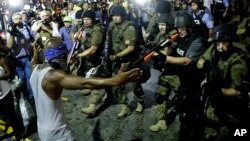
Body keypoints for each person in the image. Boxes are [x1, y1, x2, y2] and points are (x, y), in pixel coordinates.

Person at [30, 37, 141, 141]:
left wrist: (35, 54)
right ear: (61, 56)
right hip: (58, 133)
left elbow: (34, 62)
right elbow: (85, 82)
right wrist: (117, 80)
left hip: (42, 129)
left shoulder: (36, 69)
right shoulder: (54, 76)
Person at [197, 24, 250, 140]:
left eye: (223, 42)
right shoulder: (215, 48)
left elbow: (237, 92)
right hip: (217, 101)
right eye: (217, 43)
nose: (219, 46)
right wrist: (204, 65)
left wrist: (216, 90)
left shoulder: (239, 61)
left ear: (230, 41)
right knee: (209, 131)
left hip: (235, 107)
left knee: (238, 133)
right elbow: (201, 60)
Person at [162, 11, 206, 140]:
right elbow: (169, 51)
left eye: (182, 27)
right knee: (182, 107)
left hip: (195, 83)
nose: (180, 31)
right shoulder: (180, 38)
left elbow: (186, 60)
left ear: (189, 26)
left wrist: (164, 58)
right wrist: (167, 44)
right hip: (183, 80)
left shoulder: (197, 40)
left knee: (190, 116)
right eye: (178, 28)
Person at [108, 5, 145, 119]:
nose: (115, 18)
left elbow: (130, 48)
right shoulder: (111, 26)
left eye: (118, 16)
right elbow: (109, 41)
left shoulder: (129, 28)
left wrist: (116, 55)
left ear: (123, 16)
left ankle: (140, 101)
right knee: (117, 83)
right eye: (114, 16)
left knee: (134, 83)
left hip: (129, 60)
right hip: (116, 59)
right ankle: (124, 107)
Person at [148, 13, 180, 132]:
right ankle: (162, 121)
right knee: (160, 96)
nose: (161, 27)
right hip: (166, 73)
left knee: (184, 99)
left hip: (177, 73)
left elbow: (166, 52)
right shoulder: (159, 35)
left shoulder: (173, 36)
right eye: (160, 25)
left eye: (163, 25)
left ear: (169, 26)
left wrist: (155, 53)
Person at [6, 12, 36, 101]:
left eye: (19, 18)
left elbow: (34, 34)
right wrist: (12, 33)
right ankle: (26, 93)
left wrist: (35, 42)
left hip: (27, 57)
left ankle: (32, 97)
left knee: (29, 77)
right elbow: (9, 46)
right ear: (12, 20)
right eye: (15, 19)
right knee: (22, 79)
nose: (18, 21)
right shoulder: (10, 30)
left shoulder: (26, 27)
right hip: (17, 60)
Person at [0, 51, 24, 141]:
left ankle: (19, 135)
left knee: (12, 116)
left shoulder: (2, 60)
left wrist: (1, 78)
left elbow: (9, 73)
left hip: (5, 93)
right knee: (4, 116)